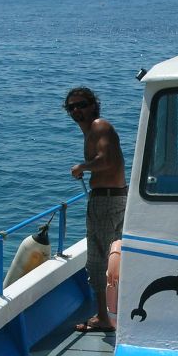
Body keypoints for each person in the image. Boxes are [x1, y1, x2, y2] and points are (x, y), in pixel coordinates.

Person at [64, 86, 126, 333]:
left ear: (93, 104)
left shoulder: (99, 126)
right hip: (115, 197)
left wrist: (82, 166)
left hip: (106, 200)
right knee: (115, 255)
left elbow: (107, 160)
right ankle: (115, 310)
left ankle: (103, 316)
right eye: (71, 107)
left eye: (81, 104)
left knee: (98, 259)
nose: (77, 110)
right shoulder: (92, 130)